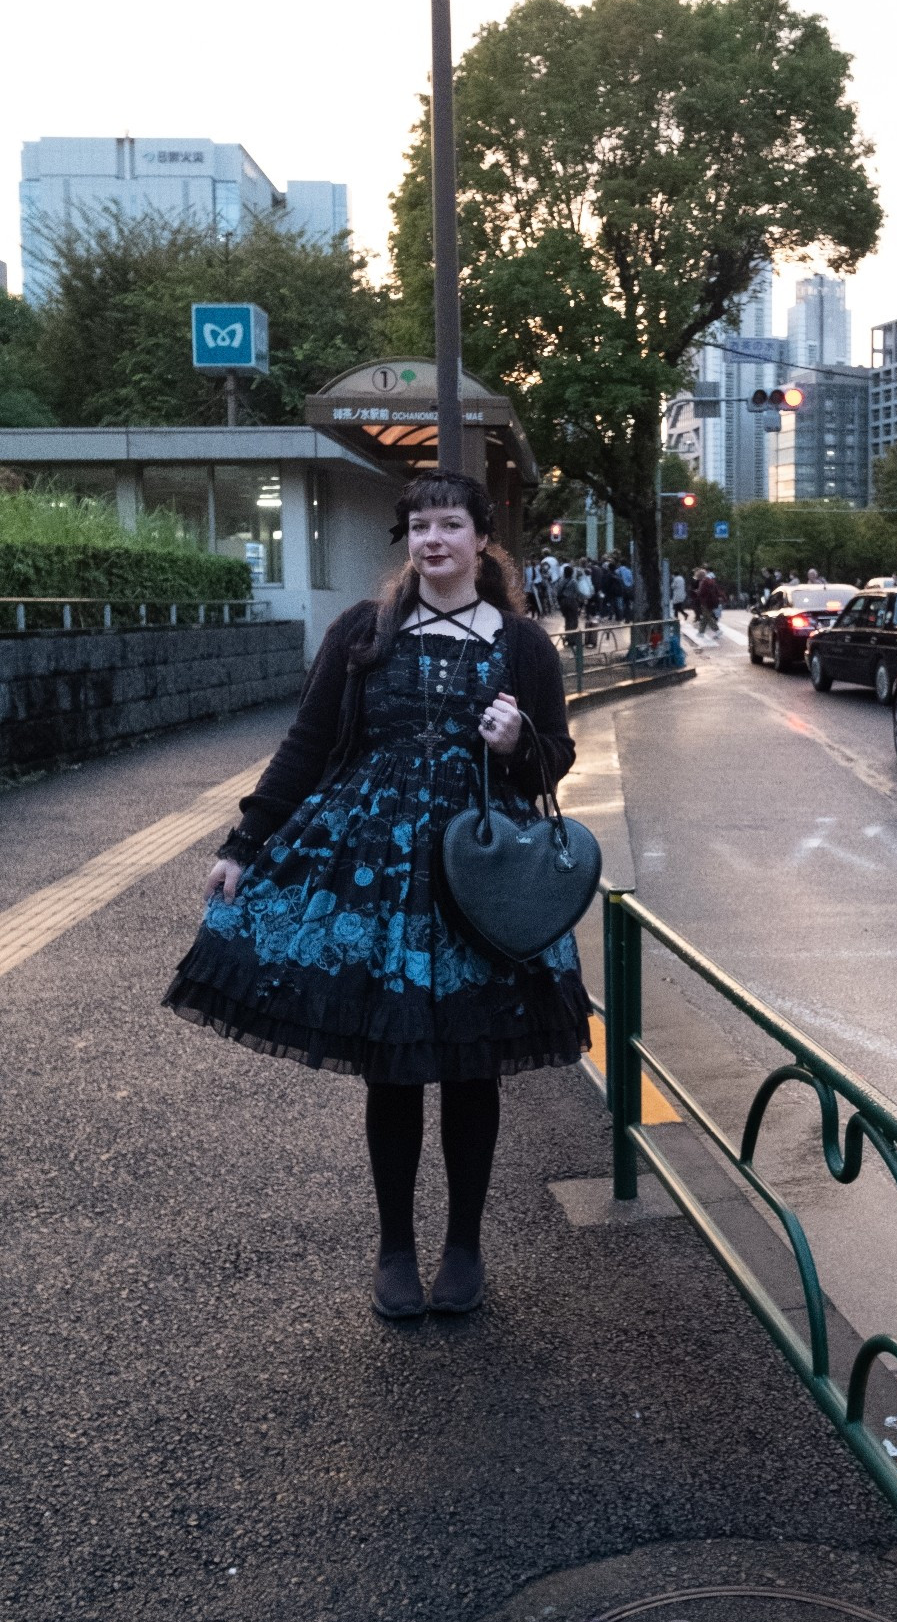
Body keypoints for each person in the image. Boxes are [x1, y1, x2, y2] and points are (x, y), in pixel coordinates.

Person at [163, 472, 591, 1322]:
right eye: (420, 527)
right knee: (391, 1069)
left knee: (473, 1065)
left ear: (481, 539)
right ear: (410, 541)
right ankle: (395, 1247)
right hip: (369, 869)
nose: (433, 540)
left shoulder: (523, 644)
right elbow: (309, 741)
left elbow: (553, 765)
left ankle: (462, 1246)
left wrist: (517, 744)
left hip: (479, 871)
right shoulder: (365, 630)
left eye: (450, 525)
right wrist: (245, 844)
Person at [696, 566, 721, 637]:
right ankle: (701, 633)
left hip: (706, 601)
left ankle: (717, 630)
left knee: (708, 616)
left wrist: (697, 592)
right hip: (711, 601)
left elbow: (702, 592)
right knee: (705, 616)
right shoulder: (710, 580)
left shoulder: (704, 581)